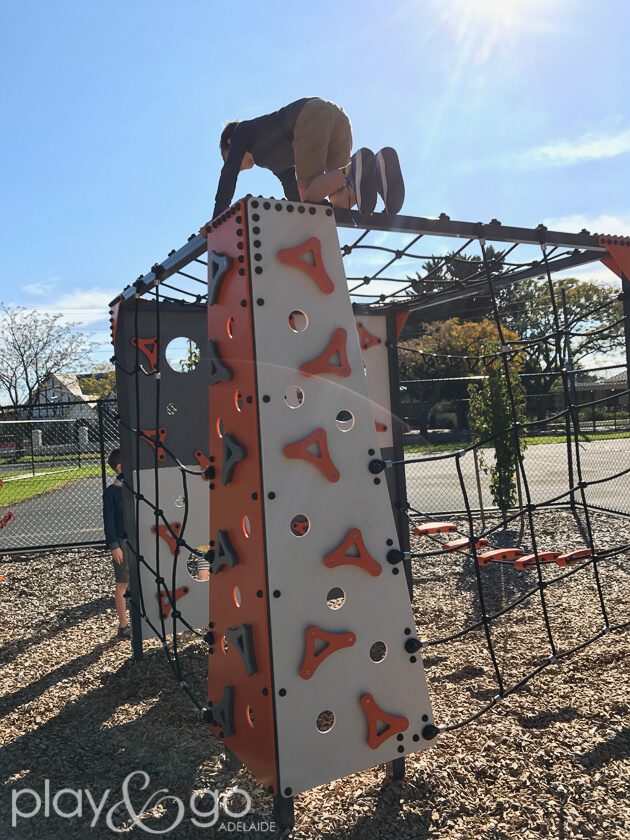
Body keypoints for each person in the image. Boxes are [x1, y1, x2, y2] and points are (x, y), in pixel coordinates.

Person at [211, 96, 405, 219]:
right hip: (338, 118)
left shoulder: (241, 132)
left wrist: (217, 219)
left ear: (229, 143)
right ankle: (378, 172)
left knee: (310, 198)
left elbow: (228, 175)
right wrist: (302, 215)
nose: (237, 167)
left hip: (309, 116)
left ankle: (352, 169)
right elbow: (290, 186)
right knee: (338, 199)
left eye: (227, 158)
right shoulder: (269, 158)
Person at [103, 448, 130, 639]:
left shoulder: (134, 489)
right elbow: (109, 521)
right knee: (123, 583)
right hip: (122, 542)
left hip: (137, 541)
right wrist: (114, 546)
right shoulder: (111, 492)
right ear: (120, 467)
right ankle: (123, 625)